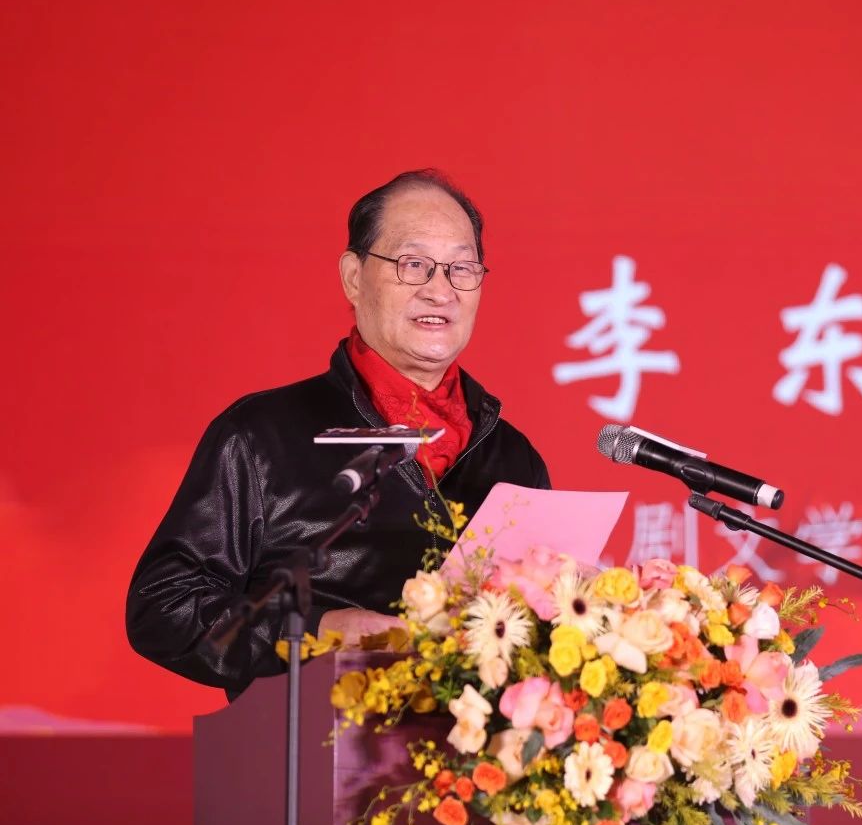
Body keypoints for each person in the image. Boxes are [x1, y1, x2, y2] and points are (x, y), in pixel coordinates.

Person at [125, 169, 550, 694]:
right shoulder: (261, 437)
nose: (440, 290)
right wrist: (314, 633)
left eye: (461, 268)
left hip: (475, 743)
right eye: (414, 264)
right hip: (311, 736)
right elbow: (164, 607)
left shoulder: (513, 457)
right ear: (353, 276)